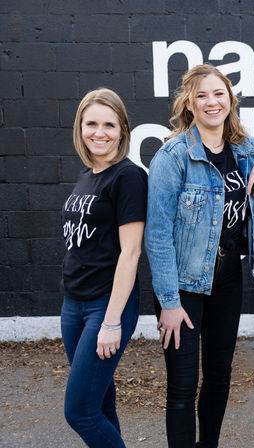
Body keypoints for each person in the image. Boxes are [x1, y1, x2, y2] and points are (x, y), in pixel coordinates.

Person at [144, 64, 254, 447]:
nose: (211, 102)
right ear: (189, 103)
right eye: (201, 95)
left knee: (220, 374)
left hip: (227, 278)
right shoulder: (172, 157)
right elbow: (157, 237)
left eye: (218, 94)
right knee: (183, 385)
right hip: (184, 284)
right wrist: (169, 302)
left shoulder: (245, 151)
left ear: (230, 100)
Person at [61, 88, 147, 448]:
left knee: (79, 411)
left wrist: (111, 321)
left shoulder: (127, 177)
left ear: (122, 130)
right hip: (73, 304)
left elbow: (130, 253)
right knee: (100, 402)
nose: (100, 132)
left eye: (109, 124)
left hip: (106, 306)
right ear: (80, 127)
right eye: (91, 123)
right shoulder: (88, 174)